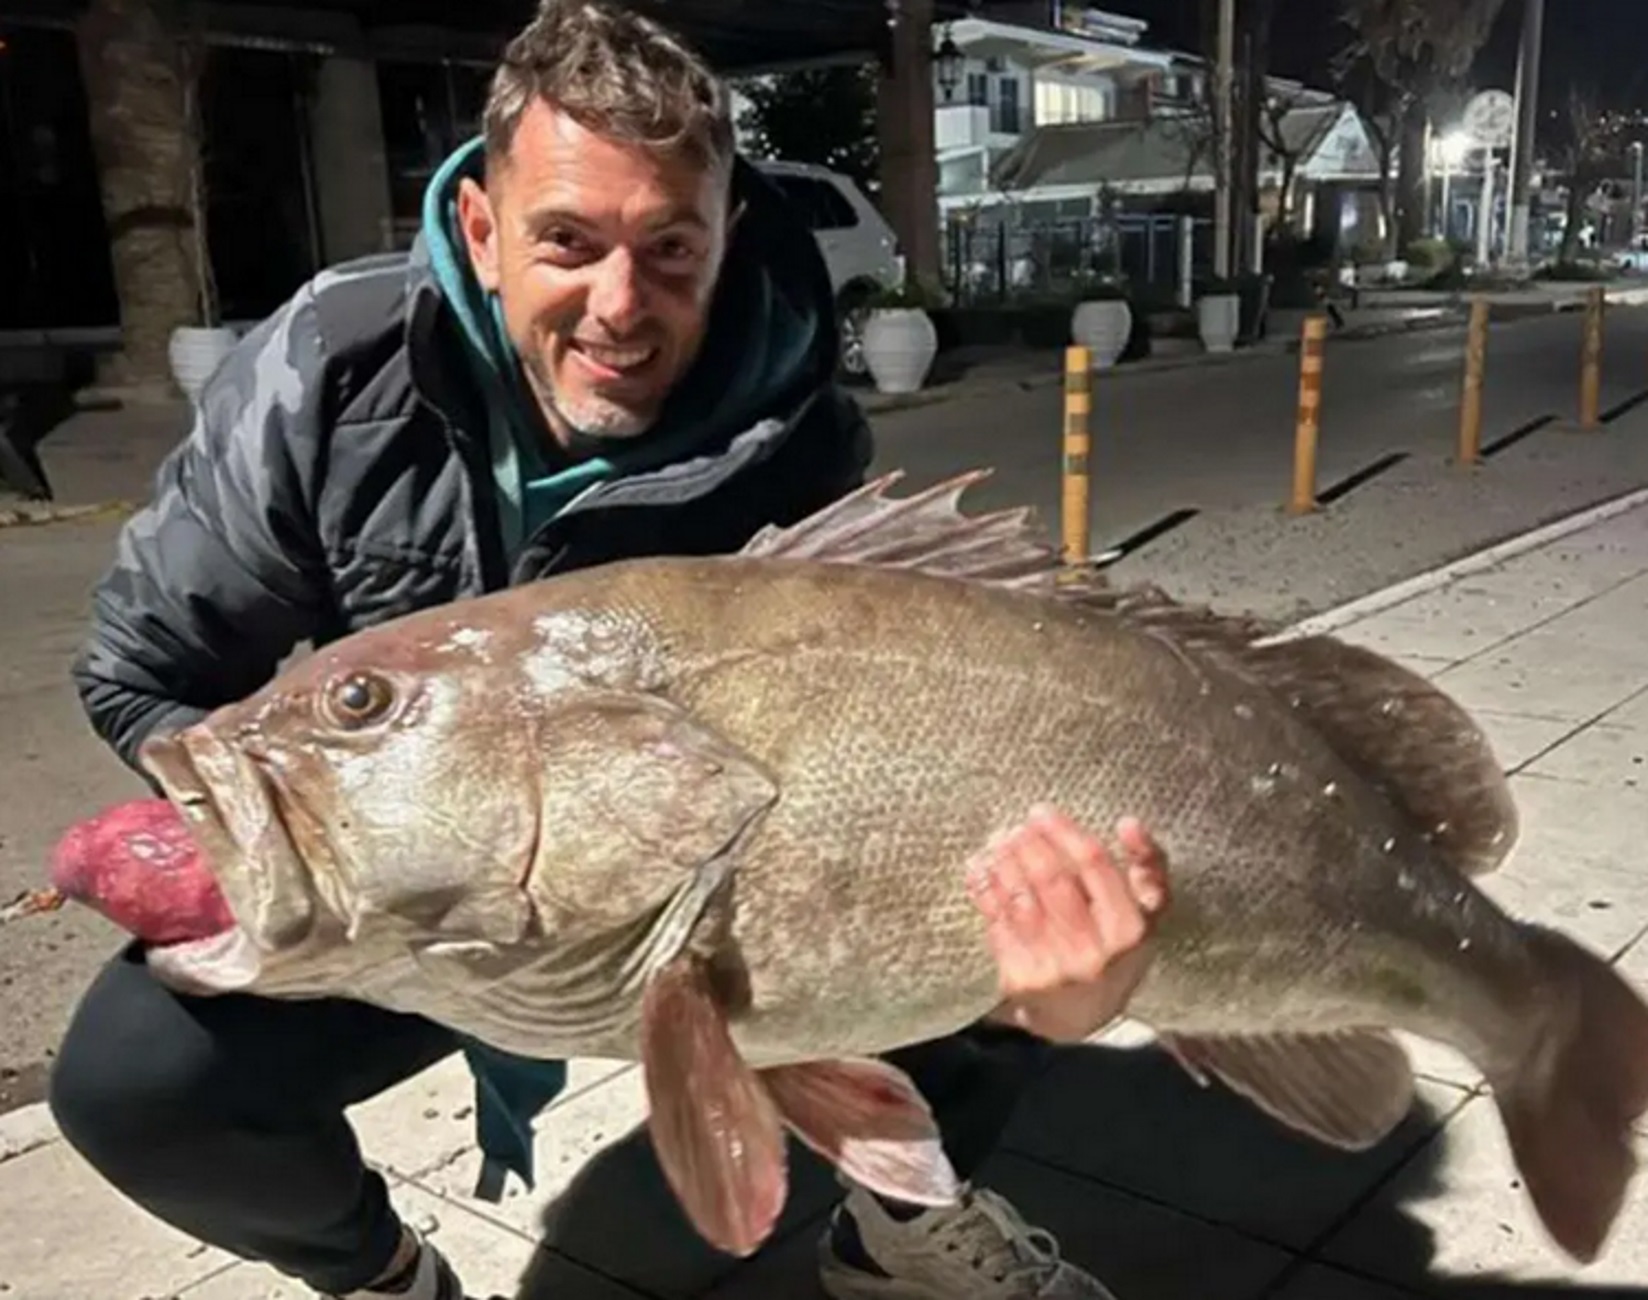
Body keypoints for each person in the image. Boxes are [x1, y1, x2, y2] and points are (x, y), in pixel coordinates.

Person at [49, 3, 1168, 1298]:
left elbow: (906, 717)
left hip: (693, 889)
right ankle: (381, 1280)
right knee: (135, 1084)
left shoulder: (790, 412)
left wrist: (1048, 969)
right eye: (567, 242)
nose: (619, 305)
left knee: (984, 885)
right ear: (483, 230)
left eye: (670, 248)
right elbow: (143, 669)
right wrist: (344, 851)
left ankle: (900, 1222)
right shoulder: (323, 368)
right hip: (412, 906)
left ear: (724, 234)